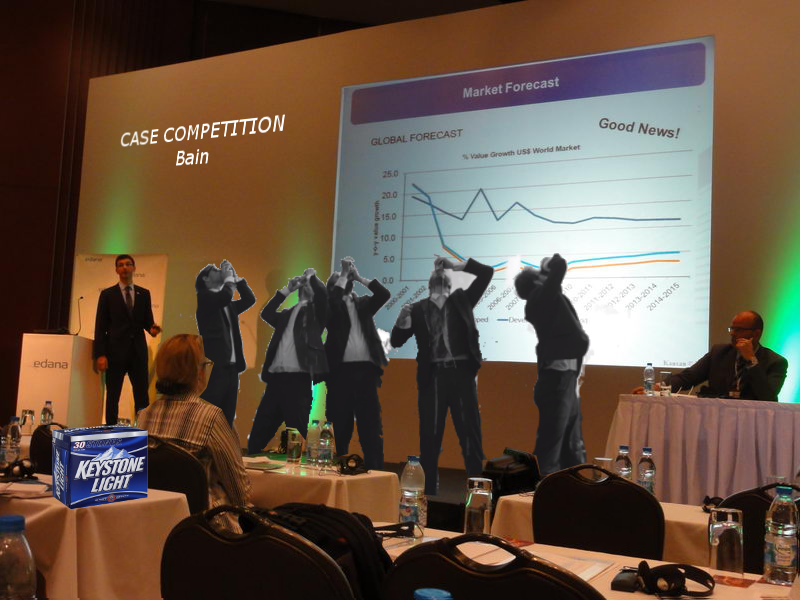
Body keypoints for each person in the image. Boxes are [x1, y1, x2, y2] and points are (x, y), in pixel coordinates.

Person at [391, 256, 493, 495]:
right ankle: (427, 495)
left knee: (470, 436)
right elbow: (396, 341)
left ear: (449, 283)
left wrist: (455, 266)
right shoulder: (416, 309)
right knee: (430, 438)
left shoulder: (463, 300)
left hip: (461, 375)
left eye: (443, 274)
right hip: (433, 377)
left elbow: (487, 272)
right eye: (435, 274)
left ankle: (477, 492)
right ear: (430, 284)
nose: (438, 274)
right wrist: (400, 321)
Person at [138, 334, 250, 532]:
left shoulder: (144, 416)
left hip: (155, 525)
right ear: (198, 372)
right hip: (207, 528)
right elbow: (240, 493)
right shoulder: (211, 418)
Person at [514, 253, 590, 476]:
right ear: (537, 282)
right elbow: (559, 265)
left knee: (570, 445)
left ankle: (573, 487)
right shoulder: (540, 298)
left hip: (563, 380)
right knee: (551, 447)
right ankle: (544, 489)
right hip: (557, 382)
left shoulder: (546, 300)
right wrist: (548, 263)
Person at [248, 268, 329, 454]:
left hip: (297, 380)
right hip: (276, 380)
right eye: (304, 282)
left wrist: (312, 277)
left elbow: (323, 297)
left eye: (309, 283)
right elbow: (266, 313)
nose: (305, 284)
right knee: (259, 432)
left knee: (296, 433)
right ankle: (248, 464)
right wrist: (287, 290)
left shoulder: (317, 314)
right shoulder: (286, 314)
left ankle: (298, 469)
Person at [324, 257, 390, 470]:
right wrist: (343, 274)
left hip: (366, 372)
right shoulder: (330, 306)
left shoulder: (363, 304)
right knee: (340, 424)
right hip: (340, 373)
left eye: (346, 278)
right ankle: (339, 469)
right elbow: (332, 304)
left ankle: (375, 471)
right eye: (340, 280)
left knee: (371, 426)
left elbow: (384, 295)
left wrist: (360, 278)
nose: (345, 280)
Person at [93, 254, 161, 425]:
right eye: (121, 265)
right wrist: (100, 354)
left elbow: (147, 321)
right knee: (113, 395)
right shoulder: (107, 294)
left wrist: (152, 329)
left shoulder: (144, 293)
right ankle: (109, 430)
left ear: (134, 268)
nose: (125, 267)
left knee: (141, 395)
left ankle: (143, 429)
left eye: (128, 264)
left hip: (138, 352)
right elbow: (100, 326)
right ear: (116, 270)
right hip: (114, 352)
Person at [666, 310, 788, 401]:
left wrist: (751, 360)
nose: (733, 334)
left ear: (756, 334)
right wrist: (662, 386)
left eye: (739, 330)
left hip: (752, 419)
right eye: (732, 329)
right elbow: (688, 377)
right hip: (717, 414)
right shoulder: (719, 353)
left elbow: (768, 397)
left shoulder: (776, 362)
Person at [195, 260, 256, 427]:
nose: (219, 271)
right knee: (211, 411)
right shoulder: (205, 296)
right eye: (214, 270)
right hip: (216, 366)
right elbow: (223, 297)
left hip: (232, 367)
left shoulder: (227, 304)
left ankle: (224, 443)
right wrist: (228, 279)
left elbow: (249, 299)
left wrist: (236, 279)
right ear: (206, 279)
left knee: (228, 415)